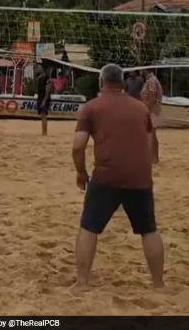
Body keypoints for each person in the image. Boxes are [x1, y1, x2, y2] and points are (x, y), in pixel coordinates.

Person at [72, 64, 164, 291]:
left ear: (101, 83)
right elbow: (152, 140)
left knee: (89, 227)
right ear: (122, 83)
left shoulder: (91, 108)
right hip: (140, 177)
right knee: (149, 229)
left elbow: (78, 146)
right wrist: (150, 163)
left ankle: (82, 283)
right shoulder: (140, 109)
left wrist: (81, 172)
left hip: (107, 175)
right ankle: (159, 284)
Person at [140, 69, 163, 165]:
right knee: (151, 135)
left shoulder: (152, 81)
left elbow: (152, 97)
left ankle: (154, 158)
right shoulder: (150, 81)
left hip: (152, 111)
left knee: (152, 135)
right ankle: (153, 157)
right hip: (152, 110)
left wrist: (145, 109)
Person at [36, 64, 53, 136]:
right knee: (42, 115)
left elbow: (48, 90)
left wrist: (45, 100)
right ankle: (43, 131)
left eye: (38, 67)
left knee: (43, 115)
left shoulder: (46, 78)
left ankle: (44, 132)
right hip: (40, 97)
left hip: (44, 98)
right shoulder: (39, 78)